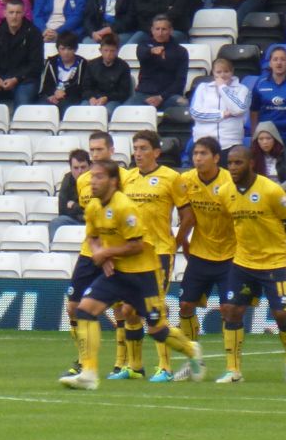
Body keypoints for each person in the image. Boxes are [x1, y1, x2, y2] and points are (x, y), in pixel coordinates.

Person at [58, 159, 204, 391]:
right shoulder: (95, 206)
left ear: (113, 181)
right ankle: (89, 372)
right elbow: (93, 236)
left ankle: (191, 350)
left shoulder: (125, 208)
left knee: (157, 330)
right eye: (92, 176)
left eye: (98, 177)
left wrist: (107, 252)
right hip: (118, 274)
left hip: (144, 275)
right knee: (84, 310)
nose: (92, 181)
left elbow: (136, 245)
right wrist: (101, 255)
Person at [220, 145, 286, 385]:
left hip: (274, 263)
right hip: (243, 262)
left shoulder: (270, 190)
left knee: (280, 314)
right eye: (230, 163)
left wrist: (280, 246)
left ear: (251, 163)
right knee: (231, 310)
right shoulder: (225, 192)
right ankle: (233, 370)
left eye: (238, 163)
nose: (233, 168)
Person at [61, 130, 131, 375]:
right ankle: (83, 360)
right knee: (73, 306)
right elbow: (92, 220)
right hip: (90, 251)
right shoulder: (84, 181)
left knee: (120, 308)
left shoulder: (126, 178)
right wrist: (98, 250)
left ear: (111, 151)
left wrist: (110, 254)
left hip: (115, 252)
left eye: (99, 150)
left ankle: (121, 362)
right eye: (92, 150)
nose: (95, 155)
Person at [117, 129, 183, 382]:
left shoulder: (171, 177)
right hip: (134, 253)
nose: (139, 153)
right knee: (128, 310)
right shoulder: (128, 178)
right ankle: (135, 367)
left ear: (157, 152)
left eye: (144, 148)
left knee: (154, 309)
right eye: (136, 148)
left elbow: (186, 214)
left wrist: (176, 242)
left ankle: (165, 367)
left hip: (160, 252)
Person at [172, 136, 236, 382]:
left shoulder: (229, 181)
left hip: (229, 255)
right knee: (186, 306)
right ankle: (193, 359)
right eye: (195, 153)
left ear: (216, 158)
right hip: (200, 254)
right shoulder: (186, 181)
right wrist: (183, 242)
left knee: (228, 310)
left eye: (203, 154)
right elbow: (186, 216)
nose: (197, 158)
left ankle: (233, 367)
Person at [0, 0, 43, 109]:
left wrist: (16, 79)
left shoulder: (34, 33)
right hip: (1, 77)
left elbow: (36, 65)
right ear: (5, 13)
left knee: (23, 101)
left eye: (18, 13)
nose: (14, 16)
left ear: (23, 13)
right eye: (11, 12)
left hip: (25, 80)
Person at [128, 16, 188, 110]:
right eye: (157, 29)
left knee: (183, 105)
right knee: (125, 110)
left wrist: (161, 97)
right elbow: (141, 53)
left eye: (164, 29)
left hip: (169, 96)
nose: (160, 33)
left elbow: (180, 81)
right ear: (152, 30)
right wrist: (151, 51)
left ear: (171, 30)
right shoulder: (143, 45)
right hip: (144, 94)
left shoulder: (181, 51)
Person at [189, 57, 249, 149]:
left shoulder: (243, 89)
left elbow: (239, 109)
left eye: (226, 71)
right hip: (203, 142)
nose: (223, 75)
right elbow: (195, 113)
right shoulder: (203, 87)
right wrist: (222, 114)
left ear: (232, 71)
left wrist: (223, 87)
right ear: (213, 72)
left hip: (231, 142)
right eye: (219, 72)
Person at [80, 32, 133, 113]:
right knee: (83, 110)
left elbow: (124, 92)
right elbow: (85, 87)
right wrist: (91, 97)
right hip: (93, 99)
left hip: (113, 100)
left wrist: (107, 98)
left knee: (106, 112)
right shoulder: (91, 65)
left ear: (117, 51)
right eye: (106, 50)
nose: (108, 54)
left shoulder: (123, 67)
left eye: (112, 51)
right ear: (100, 50)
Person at [251, 122, 286, 198]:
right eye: (261, 139)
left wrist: (272, 191)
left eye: (268, 138)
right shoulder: (252, 155)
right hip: (260, 195)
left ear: (275, 138)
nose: (265, 142)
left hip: (284, 194)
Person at [40, 30, 86, 111]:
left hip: (72, 98)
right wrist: (52, 94)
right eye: (63, 49)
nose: (66, 52)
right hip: (52, 96)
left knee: (65, 107)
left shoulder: (82, 63)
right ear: (58, 48)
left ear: (75, 49)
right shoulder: (51, 62)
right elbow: (45, 85)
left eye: (69, 49)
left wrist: (64, 93)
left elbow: (81, 87)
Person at [50, 147, 90, 239]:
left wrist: (74, 206)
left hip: (94, 221)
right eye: (76, 168)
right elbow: (63, 209)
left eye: (83, 167)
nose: (80, 172)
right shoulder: (67, 180)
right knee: (56, 222)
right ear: (70, 168)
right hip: (75, 220)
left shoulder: (97, 179)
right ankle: (56, 250)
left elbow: (95, 209)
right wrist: (81, 209)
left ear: (89, 166)